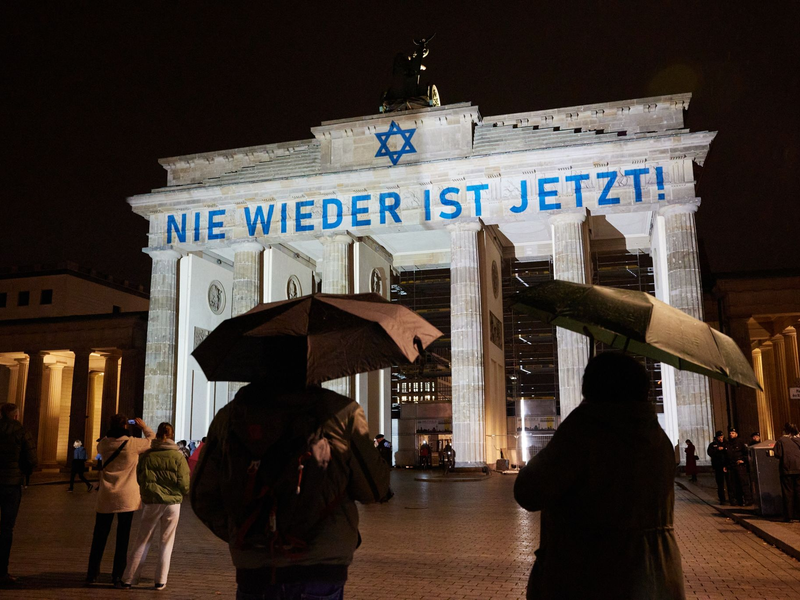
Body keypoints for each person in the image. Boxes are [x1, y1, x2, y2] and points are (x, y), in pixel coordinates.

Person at [192, 379, 390, 600]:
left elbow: (202, 497)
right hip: (319, 565)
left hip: (254, 569)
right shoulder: (341, 412)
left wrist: (245, 532)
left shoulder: (230, 416)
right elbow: (374, 489)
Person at [514, 353, 685, 599]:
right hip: (656, 574)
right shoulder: (659, 440)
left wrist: (570, 428)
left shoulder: (584, 433)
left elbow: (528, 491)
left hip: (590, 574)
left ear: (591, 389)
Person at [86, 414, 155, 588]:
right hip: (126, 496)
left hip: (106, 495)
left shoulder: (103, 443)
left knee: (99, 536)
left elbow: (102, 445)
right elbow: (152, 439)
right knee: (122, 537)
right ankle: (117, 575)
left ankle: (92, 573)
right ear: (126, 426)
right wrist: (143, 427)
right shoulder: (132, 443)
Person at [122, 422, 190, 591]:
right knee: (167, 541)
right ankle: (160, 580)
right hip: (172, 503)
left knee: (142, 540)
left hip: (152, 501)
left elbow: (140, 478)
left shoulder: (147, 455)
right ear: (172, 435)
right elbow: (185, 483)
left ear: (158, 434)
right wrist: (182, 493)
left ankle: (129, 578)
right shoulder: (178, 457)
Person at [0, 403, 37, 586]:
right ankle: (2, 572)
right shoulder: (21, 431)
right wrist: (24, 471)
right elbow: (31, 459)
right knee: (6, 528)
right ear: (15, 416)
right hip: (11, 484)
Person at [773, 423, 800, 523]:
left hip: (787, 469)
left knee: (788, 492)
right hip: (798, 468)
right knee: (798, 492)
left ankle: (789, 516)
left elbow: (777, 454)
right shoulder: (798, 440)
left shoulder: (781, 440)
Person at [724, 427, 752, 506]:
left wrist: (743, 460)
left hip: (740, 466)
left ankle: (748, 500)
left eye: (733, 433)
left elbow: (747, 453)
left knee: (743, 484)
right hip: (731, 466)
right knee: (734, 485)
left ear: (736, 434)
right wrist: (725, 465)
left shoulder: (740, 442)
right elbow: (726, 456)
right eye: (730, 433)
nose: (731, 435)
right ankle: (738, 500)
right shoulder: (728, 443)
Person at [707, 431, 728, 504]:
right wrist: (717, 450)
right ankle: (722, 499)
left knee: (730, 483)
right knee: (720, 484)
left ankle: (733, 499)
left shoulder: (726, 443)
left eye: (722, 437)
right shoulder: (713, 445)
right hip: (718, 466)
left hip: (727, 466)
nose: (721, 438)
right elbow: (710, 453)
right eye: (719, 437)